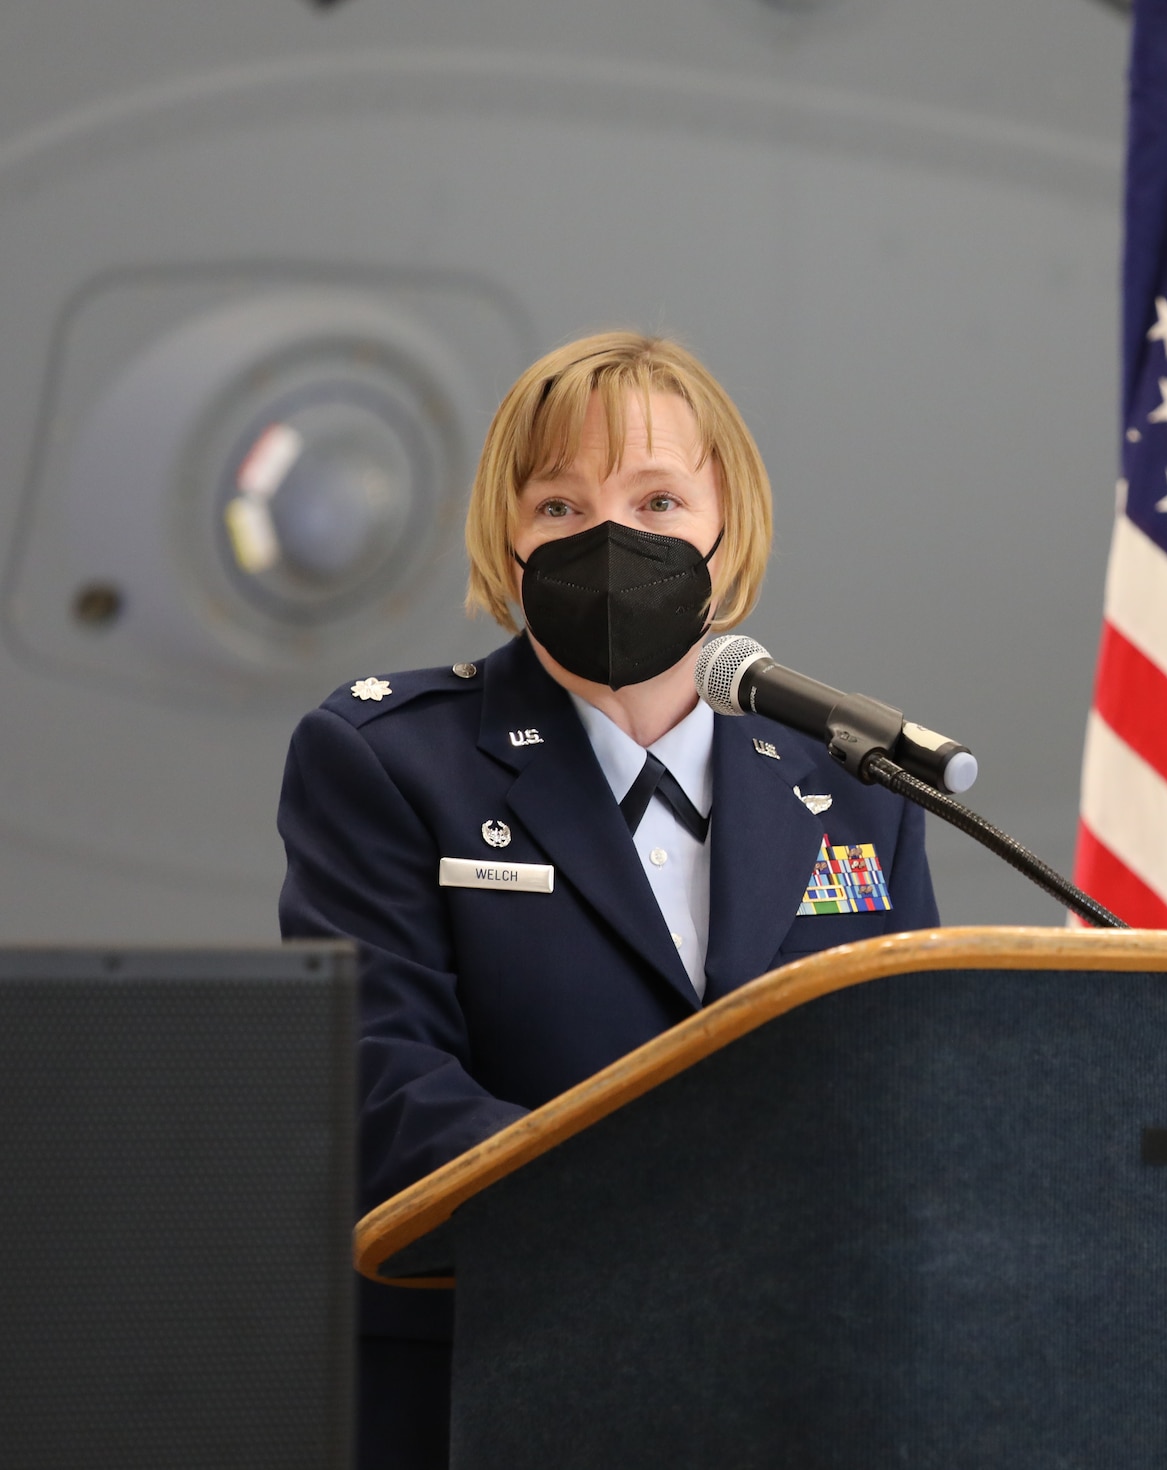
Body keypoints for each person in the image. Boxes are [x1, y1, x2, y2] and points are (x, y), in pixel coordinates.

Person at [276, 332, 939, 1468]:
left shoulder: (847, 781)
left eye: (659, 498)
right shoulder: (387, 758)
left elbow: (917, 1091)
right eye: (560, 508)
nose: (611, 540)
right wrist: (661, 1208)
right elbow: (376, 1079)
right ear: (508, 540)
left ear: (724, 535)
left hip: (792, 1389)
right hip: (486, 1374)